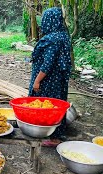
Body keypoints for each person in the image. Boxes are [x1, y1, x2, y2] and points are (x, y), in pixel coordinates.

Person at [29, 8, 72, 146]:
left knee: (45, 106)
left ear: (49, 20)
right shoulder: (63, 35)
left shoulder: (53, 39)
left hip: (48, 81)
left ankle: (50, 136)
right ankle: (55, 133)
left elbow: (48, 63)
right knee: (56, 105)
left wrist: (37, 81)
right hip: (58, 80)